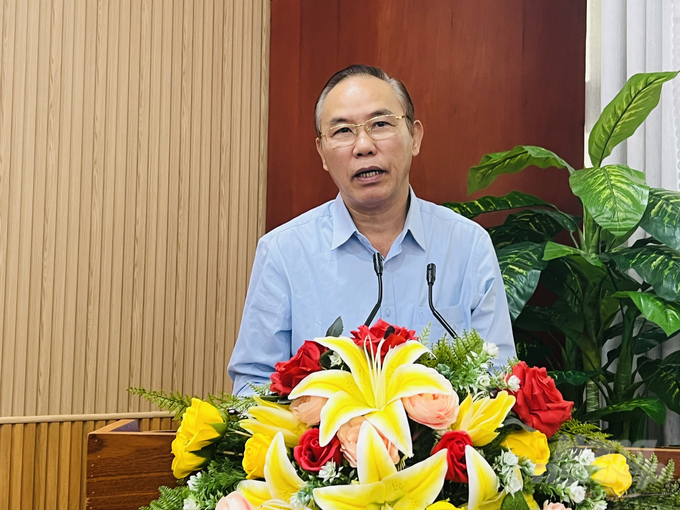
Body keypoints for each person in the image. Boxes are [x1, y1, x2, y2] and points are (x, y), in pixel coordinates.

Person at [228, 65, 515, 395]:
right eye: (342, 132)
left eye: (380, 124)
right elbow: (253, 387)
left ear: (415, 137)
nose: (363, 145)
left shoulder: (467, 246)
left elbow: (499, 380)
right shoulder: (282, 252)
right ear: (321, 152)